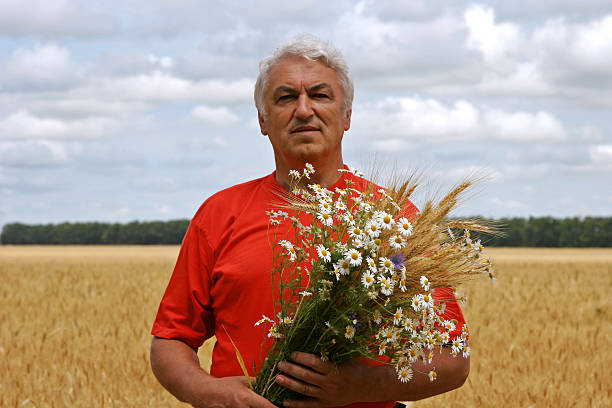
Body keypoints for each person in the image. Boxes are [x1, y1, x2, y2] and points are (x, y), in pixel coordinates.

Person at [150, 35, 470, 408]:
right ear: (262, 120)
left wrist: (358, 387)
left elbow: (453, 359)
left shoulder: (394, 219)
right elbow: (171, 339)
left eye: (320, 95)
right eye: (285, 97)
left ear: (347, 115)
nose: (303, 110)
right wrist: (207, 392)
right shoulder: (219, 214)